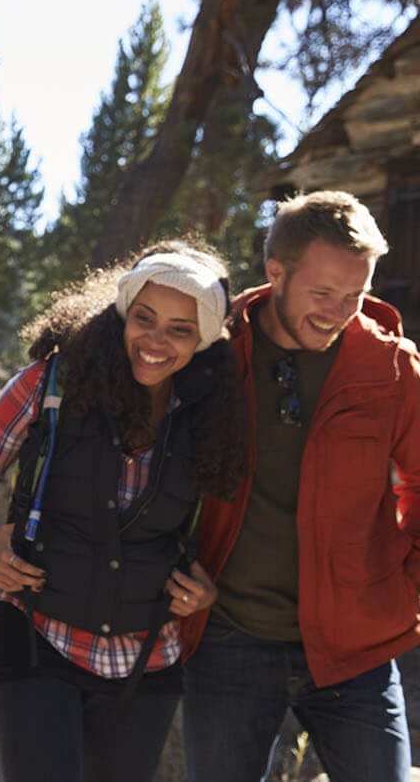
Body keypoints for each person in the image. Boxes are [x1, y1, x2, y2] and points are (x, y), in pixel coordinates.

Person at [0, 240, 246, 782]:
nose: (155, 342)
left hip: (147, 657)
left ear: (203, 339)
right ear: (121, 313)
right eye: (144, 318)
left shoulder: (212, 412)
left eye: (180, 329)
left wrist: (205, 590)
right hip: (36, 637)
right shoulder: (51, 384)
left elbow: (213, 523)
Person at [179, 190, 420, 782]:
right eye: (322, 294)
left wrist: (407, 584)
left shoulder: (392, 367)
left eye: (355, 295)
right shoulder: (211, 349)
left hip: (356, 648)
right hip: (226, 638)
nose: (339, 312)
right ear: (276, 271)